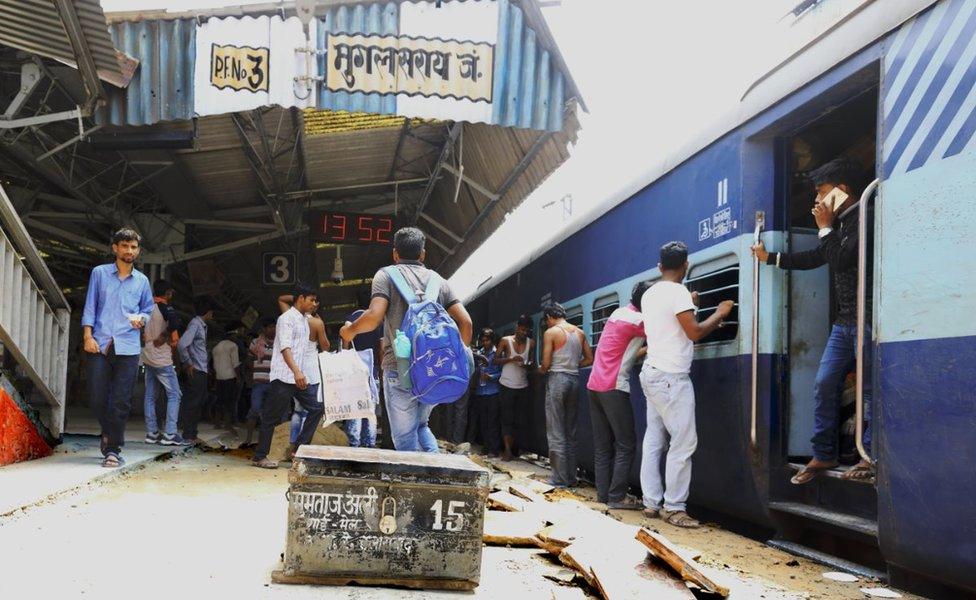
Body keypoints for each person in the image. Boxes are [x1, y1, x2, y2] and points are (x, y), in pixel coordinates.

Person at [751, 157, 874, 483]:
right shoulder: (841, 224)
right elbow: (815, 258)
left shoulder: (866, 216)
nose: (817, 201)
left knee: (871, 389)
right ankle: (824, 453)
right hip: (845, 322)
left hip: (868, 320)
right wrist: (771, 259)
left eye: (822, 192)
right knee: (824, 384)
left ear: (842, 190)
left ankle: (871, 457)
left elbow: (843, 258)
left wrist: (823, 227)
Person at [340, 227, 473, 452]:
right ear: (423, 254)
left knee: (404, 439)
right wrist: (458, 357)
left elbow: (373, 317)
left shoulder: (386, 276)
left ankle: (418, 481)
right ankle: (435, 470)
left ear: (395, 253)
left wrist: (349, 332)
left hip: (399, 370)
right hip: (434, 371)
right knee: (421, 425)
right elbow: (466, 323)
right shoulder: (439, 281)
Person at [640, 241, 733, 528]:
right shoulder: (678, 292)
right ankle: (675, 507)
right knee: (684, 441)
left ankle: (651, 502)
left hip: (652, 372)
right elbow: (692, 333)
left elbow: (674, 327)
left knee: (655, 438)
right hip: (671, 377)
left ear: (659, 266)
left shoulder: (650, 293)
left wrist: (692, 308)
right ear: (686, 265)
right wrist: (720, 313)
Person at [82, 228, 155, 467]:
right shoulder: (100, 274)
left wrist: (141, 320)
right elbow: (90, 305)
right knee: (97, 396)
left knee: (122, 400)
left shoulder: (142, 281)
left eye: (133, 247)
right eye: (125, 246)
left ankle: (113, 448)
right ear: (115, 248)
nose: (129, 251)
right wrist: (87, 336)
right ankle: (108, 431)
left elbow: (147, 310)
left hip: (129, 346)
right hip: (100, 344)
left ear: (138, 250)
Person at [585, 282, 650, 509]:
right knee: (626, 443)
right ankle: (618, 497)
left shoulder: (618, 314)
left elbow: (624, 350)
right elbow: (668, 331)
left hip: (594, 384)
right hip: (613, 386)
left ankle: (603, 496)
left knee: (603, 446)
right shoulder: (640, 321)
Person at [252, 284, 324, 468]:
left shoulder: (304, 320)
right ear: (301, 298)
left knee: (317, 408)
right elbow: (285, 348)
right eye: (311, 300)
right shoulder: (286, 319)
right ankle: (260, 457)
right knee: (271, 418)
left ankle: (298, 449)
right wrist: (297, 371)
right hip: (284, 378)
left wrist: (301, 373)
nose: (314, 304)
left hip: (298, 378)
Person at [538, 303, 593, 488]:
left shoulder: (551, 333)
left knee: (556, 430)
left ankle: (558, 479)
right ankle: (570, 477)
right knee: (570, 432)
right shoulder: (580, 332)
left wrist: (541, 369)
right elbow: (589, 359)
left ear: (549, 318)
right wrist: (573, 366)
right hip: (574, 381)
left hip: (557, 379)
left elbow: (545, 363)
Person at [277, 293, 330, 456]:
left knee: (297, 411)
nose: (314, 303)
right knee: (314, 410)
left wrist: (302, 297)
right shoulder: (316, 322)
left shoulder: (290, 316)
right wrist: (321, 325)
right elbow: (326, 347)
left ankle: (293, 444)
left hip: (292, 370)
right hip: (310, 374)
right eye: (312, 300)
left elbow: (281, 299)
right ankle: (299, 446)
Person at [141, 279, 187, 446]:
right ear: (167, 292)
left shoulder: (146, 307)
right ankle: (170, 434)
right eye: (171, 292)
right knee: (175, 394)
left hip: (147, 355)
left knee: (150, 396)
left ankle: (152, 433)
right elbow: (176, 322)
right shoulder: (165, 307)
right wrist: (164, 335)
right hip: (161, 358)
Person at [341, 298, 382, 448]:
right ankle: (369, 443)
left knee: (355, 407)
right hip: (373, 370)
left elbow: (345, 346)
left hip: (354, 370)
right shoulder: (378, 322)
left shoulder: (349, 320)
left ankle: (354, 443)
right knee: (369, 409)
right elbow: (381, 349)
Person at [495, 315, 535, 460]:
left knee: (519, 420)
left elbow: (533, 364)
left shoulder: (532, 343)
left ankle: (514, 449)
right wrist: (511, 359)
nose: (524, 332)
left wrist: (527, 365)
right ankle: (507, 450)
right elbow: (495, 360)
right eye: (522, 329)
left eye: (527, 330)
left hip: (522, 386)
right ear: (517, 327)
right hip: (506, 384)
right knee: (507, 419)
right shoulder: (506, 341)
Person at [178, 297, 213, 444]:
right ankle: (189, 435)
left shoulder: (201, 325)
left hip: (201, 369)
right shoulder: (196, 324)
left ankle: (192, 434)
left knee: (197, 402)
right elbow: (182, 344)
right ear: (208, 312)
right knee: (193, 403)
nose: (212, 316)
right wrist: (188, 363)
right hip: (196, 370)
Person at [243, 318, 275, 446]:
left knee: (269, 413)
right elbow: (248, 361)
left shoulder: (280, 344)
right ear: (264, 329)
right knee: (255, 409)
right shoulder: (255, 343)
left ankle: (265, 441)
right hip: (259, 383)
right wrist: (254, 374)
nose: (273, 329)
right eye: (270, 326)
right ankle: (249, 438)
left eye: (275, 326)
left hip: (273, 383)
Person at [474, 328, 503, 457]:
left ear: (492, 340)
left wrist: (492, 377)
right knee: (483, 421)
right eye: (483, 340)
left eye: (488, 340)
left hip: (493, 391)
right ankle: (486, 447)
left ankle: (494, 449)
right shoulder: (479, 354)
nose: (485, 343)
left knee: (493, 422)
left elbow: (503, 372)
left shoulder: (498, 354)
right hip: (481, 391)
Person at [212, 327, 241, 432]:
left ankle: (217, 423)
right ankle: (228, 424)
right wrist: (238, 377)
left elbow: (214, 366)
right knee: (230, 401)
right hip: (230, 377)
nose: (236, 337)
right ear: (231, 335)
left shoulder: (216, 347)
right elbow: (235, 363)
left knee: (220, 400)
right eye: (235, 335)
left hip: (219, 377)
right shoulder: (233, 346)